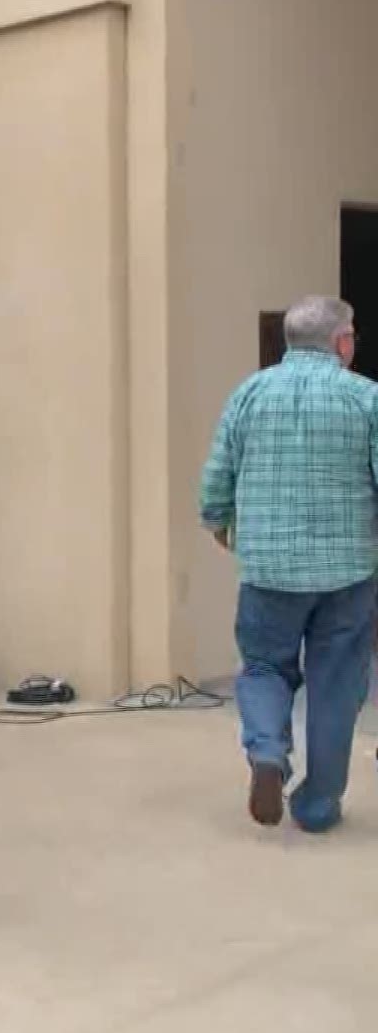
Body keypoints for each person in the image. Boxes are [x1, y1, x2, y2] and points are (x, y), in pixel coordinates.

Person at [199, 295, 378, 833]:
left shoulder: (249, 393)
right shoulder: (366, 398)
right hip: (347, 572)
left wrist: (218, 519)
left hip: (268, 570)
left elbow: (218, 471)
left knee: (263, 668)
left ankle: (269, 755)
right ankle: (318, 805)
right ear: (341, 342)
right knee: (337, 682)